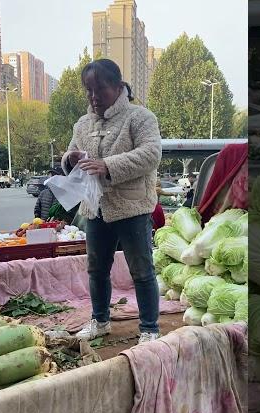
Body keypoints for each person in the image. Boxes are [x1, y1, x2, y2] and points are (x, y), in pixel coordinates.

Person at [60, 58, 162, 344]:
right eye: (88, 90)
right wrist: (70, 160)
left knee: (141, 270)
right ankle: (100, 320)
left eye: (100, 89)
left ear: (118, 87)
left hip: (132, 207)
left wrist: (107, 165)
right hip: (95, 208)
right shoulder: (82, 124)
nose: (94, 97)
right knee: (96, 268)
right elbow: (70, 156)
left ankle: (150, 328)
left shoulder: (140, 117)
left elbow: (151, 154)